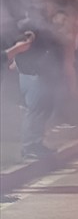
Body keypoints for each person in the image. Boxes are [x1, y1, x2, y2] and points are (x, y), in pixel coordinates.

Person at [8, 17, 66, 160]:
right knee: (35, 111)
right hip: (34, 76)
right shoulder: (30, 35)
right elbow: (23, 45)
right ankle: (29, 146)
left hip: (38, 75)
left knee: (41, 111)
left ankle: (36, 143)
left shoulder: (43, 37)